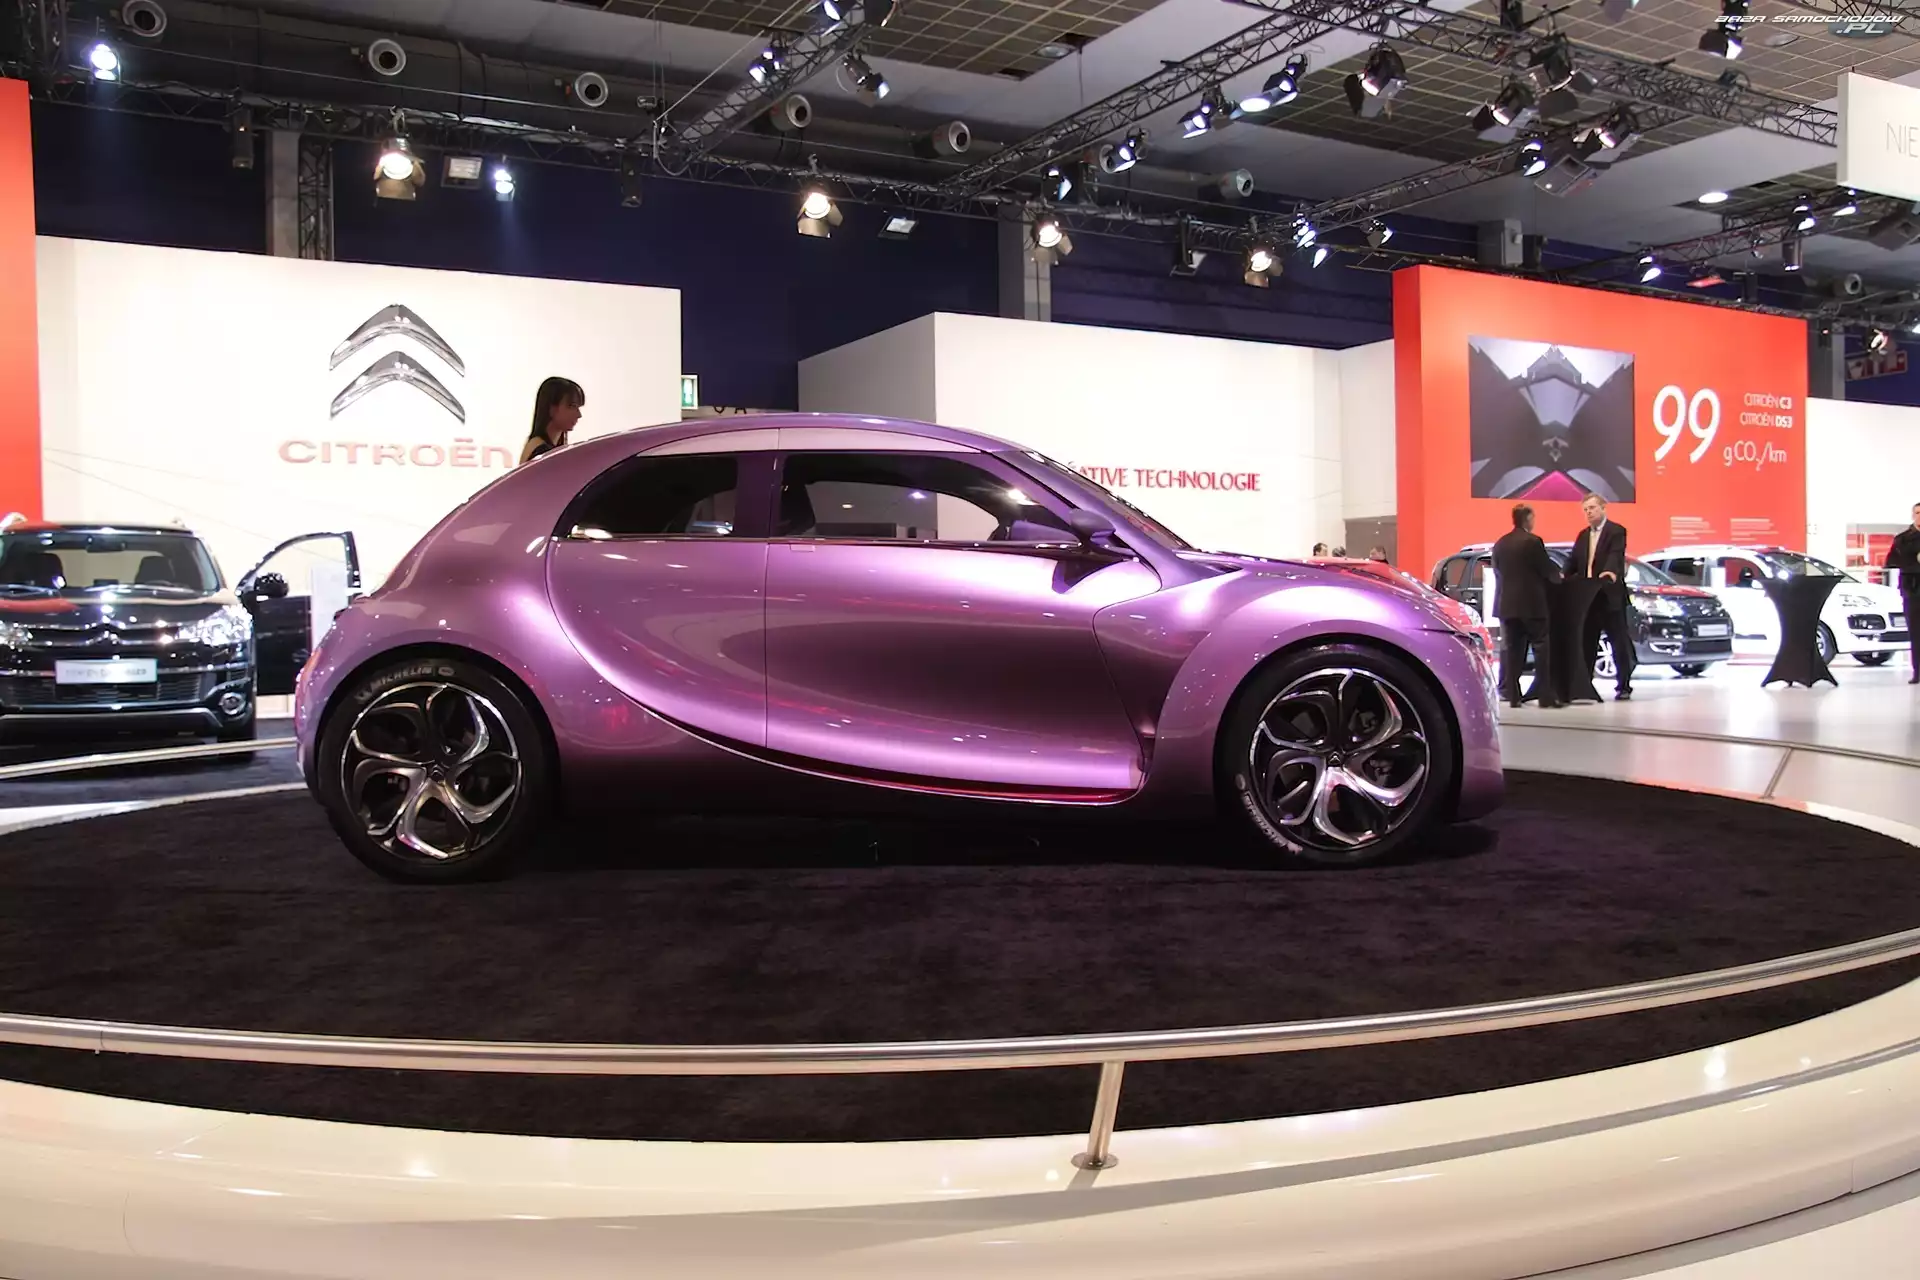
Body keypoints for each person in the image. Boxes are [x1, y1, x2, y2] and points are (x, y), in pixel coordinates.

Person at [1492, 504, 1563, 709]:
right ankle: (1545, 697)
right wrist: (1558, 578)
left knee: (1513, 652)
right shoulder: (1533, 542)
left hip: (1507, 605)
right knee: (1541, 648)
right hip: (1532, 605)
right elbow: (1546, 569)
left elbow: (1497, 571)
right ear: (1528, 519)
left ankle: (1514, 696)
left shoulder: (1500, 543)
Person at [1565, 492, 1633, 700]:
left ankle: (1624, 686)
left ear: (1603, 508)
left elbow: (1615, 555)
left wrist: (1609, 571)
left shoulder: (1616, 531)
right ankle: (1585, 686)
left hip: (1609, 596)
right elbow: (1573, 561)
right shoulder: (1583, 535)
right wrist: (1562, 574)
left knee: (1618, 642)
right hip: (1588, 598)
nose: (1589, 512)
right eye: (1585, 509)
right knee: (1587, 642)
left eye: (1592, 508)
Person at [1885, 502, 1920, 684]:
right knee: (1916, 632)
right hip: (1912, 590)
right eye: (1918, 513)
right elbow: (1891, 561)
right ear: (1913, 515)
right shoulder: (1902, 540)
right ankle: (1918, 672)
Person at [520, 376, 585, 465]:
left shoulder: (537, 445)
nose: (578, 415)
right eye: (572, 406)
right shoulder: (541, 452)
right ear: (551, 408)